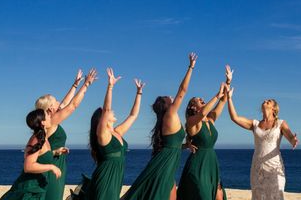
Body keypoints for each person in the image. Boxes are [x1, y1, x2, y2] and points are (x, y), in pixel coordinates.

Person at [123, 53, 197, 200]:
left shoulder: (168, 119)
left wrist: (185, 146)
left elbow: (171, 145)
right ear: (166, 105)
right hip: (164, 165)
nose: (171, 96)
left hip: (168, 164)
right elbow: (182, 91)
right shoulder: (169, 115)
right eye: (168, 98)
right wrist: (191, 67)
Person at [227, 65, 299, 200]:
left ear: (274, 109)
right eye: (265, 100)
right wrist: (229, 98)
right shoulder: (255, 124)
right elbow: (234, 118)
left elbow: (289, 135)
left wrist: (293, 140)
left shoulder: (280, 123)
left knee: (276, 195)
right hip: (257, 167)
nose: (265, 101)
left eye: (269, 101)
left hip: (274, 167)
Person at [35, 68, 97, 200]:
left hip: (56, 160)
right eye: (56, 101)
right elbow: (72, 105)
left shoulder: (48, 120)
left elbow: (64, 103)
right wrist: (86, 84)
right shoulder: (51, 121)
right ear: (51, 109)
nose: (59, 102)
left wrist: (75, 85)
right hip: (52, 164)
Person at [87, 68, 144, 200]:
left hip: (116, 178)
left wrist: (139, 93)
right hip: (105, 178)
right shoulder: (102, 135)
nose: (113, 111)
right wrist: (110, 86)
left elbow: (133, 115)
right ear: (103, 118)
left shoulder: (117, 132)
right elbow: (106, 109)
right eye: (109, 112)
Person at [177, 67, 230, 200]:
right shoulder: (192, 122)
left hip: (211, 163)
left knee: (218, 196)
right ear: (192, 107)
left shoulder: (210, 120)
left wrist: (228, 81)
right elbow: (202, 113)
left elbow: (223, 101)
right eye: (197, 99)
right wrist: (217, 95)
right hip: (198, 165)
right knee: (203, 195)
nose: (202, 98)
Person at [0, 109, 62, 200]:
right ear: (43, 122)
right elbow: (28, 167)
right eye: (47, 115)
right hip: (30, 189)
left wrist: (55, 152)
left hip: (38, 186)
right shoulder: (36, 139)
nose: (50, 116)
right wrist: (51, 167)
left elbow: (40, 156)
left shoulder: (43, 138)